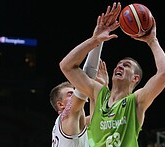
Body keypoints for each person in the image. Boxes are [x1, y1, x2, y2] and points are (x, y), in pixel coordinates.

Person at [59, 2, 165, 146]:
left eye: (126, 66)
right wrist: (95, 40)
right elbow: (66, 66)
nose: (120, 66)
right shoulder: (97, 93)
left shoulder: (136, 101)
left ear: (135, 78)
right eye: (118, 64)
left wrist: (152, 40)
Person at [50, 3, 120, 147]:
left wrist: (103, 87)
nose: (76, 92)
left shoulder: (76, 121)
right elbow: (87, 74)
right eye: (70, 93)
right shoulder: (68, 116)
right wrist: (97, 40)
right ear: (60, 105)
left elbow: (99, 120)